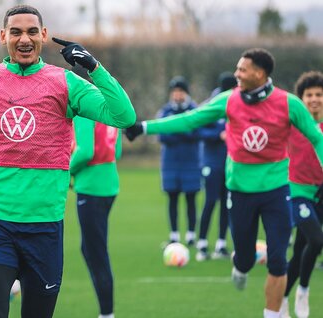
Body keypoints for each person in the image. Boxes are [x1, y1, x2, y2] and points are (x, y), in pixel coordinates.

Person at [0, 4, 135, 318]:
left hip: (44, 226)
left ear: (43, 35)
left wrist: (96, 69)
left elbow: (124, 117)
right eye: (16, 32)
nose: (24, 38)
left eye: (32, 31)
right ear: (4, 36)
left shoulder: (65, 83)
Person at [125, 48, 323, 318]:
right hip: (240, 193)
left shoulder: (289, 103)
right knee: (243, 258)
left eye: (243, 69)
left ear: (261, 73)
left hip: (277, 192)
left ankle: (273, 314)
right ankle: (240, 266)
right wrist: (144, 127)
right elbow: (190, 120)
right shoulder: (228, 100)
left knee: (278, 261)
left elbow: (317, 138)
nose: (237, 74)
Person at [70, 64, 122, 318]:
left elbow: (85, 151)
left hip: (91, 186)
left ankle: (106, 313)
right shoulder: (109, 104)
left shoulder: (83, 109)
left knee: (96, 252)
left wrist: (65, 170)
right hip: (110, 183)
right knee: (90, 248)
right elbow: (118, 152)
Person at [279, 71, 323, 318]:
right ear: (302, 98)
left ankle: (283, 297)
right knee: (317, 240)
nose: (314, 99)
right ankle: (303, 292)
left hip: (321, 193)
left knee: (301, 251)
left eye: (319, 94)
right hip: (298, 191)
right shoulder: (292, 123)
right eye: (309, 95)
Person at [195, 72, 237, 261]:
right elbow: (198, 129)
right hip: (211, 162)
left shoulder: (238, 104)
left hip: (230, 163)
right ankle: (202, 243)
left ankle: (221, 244)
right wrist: (218, 135)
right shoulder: (212, 104)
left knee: (226, 205)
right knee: (210, 201)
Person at [156, 76, 201, 246]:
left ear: (186, 93)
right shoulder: (165, 111)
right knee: (172, 199)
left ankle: (190, 235)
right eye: (175, 91)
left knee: (191, 199)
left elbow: (196, 133)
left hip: (191, 162)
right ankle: (174, 234)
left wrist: (175, 130)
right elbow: (162, 135)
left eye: (180, 91)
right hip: (170, 163)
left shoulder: (194, 110)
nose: (177, 95)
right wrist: (183, 130)